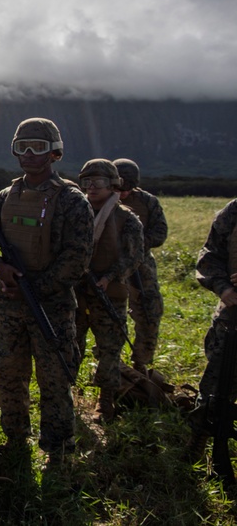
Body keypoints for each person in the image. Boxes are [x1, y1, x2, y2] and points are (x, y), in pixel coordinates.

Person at [0, 117, 93, 463]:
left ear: (54, 153)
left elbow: (77, 258)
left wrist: (35, 288)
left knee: (55, 381)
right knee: (8, 376)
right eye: (21, 147)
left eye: (37, 147)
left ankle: (58, 450)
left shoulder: (72, 201)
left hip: (51, 309)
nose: (28, 154)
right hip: (7, 307)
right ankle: (15, 441)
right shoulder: (4, 197)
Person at [72, 159, 143, 423]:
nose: (91, 187)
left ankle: (106, 403)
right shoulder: (75, 213)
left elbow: (134, 256)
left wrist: (109, 277)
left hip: (109, 295)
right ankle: (66, 394)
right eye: (86, 182)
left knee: (109, 350)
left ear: (112, 185)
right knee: (70, 345)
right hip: (77, 294)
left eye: (98, 182)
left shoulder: (126, 218)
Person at [186, 199, 237, 460]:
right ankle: (199, 443)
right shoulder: (234, 211)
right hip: (233, 317)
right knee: (215, 387)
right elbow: (210, 256)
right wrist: (224, 288)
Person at [113, 158, 168, 373]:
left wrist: (135, 244)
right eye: (119, 188)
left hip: (140, 265)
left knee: (150, 310)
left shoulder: (148, 202)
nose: (123, 194)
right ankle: (108, 362)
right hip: (107, 264)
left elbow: (160, 233)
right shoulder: (98, 199)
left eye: (128, 189)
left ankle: (141, 362)